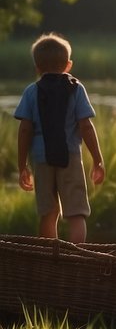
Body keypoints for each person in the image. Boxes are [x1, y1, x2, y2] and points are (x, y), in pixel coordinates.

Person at [14, 32, 106, 243]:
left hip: (41, 159)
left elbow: (25, 130)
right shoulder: (76, 88)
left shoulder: (31, 92)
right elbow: (86, 126)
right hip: (70, 157)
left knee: (48, 212)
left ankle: (50, 259)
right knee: (76, 213)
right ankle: (76, 257)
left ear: (37, 67)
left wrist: (22, 166)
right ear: (68, 65)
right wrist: (98, 159)